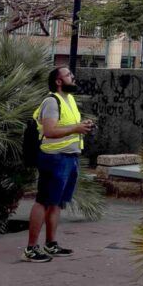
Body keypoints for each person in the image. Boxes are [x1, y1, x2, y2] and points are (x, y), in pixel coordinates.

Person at [24, 66, 94, 262]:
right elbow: (49, 131)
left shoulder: (69, 99)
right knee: (43, 201)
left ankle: (51, 244)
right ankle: (31, 249)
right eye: (68, 75)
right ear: (58, 81)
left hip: (70, 158)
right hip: (54, 158)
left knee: (56, 203)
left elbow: (68, 125)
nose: (73, 77)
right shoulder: (51, 101)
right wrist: (76, 128)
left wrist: (82, 125)